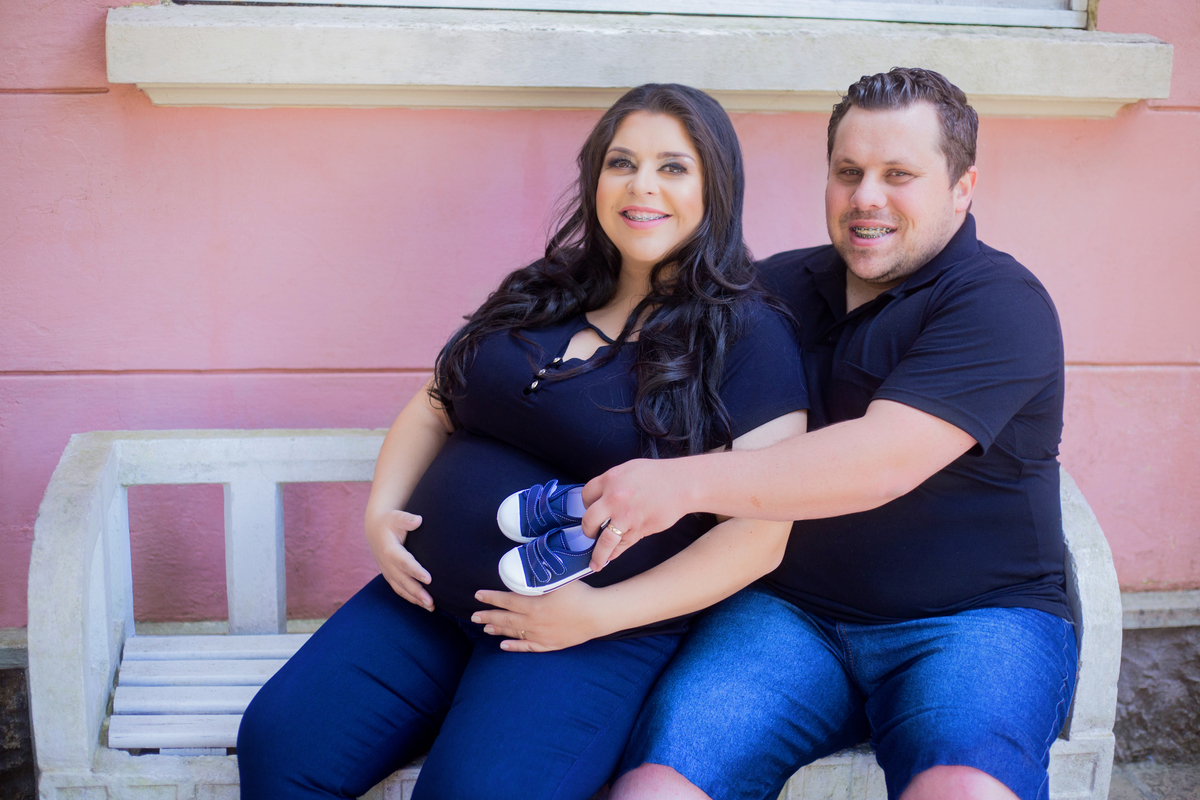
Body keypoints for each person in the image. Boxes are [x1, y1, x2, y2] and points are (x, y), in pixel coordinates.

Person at [235, 83, 808, 800]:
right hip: (425, 602)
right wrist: (381, 513)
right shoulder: (544, 287)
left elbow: (762, 535)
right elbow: (436, 402)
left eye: (673, 167)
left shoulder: (747, 334)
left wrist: (595, 614)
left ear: (716, 187)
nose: (642, 186)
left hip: (577, 634)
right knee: (279, 744)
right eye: (622, 162)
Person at [582, 69, 1077, 800]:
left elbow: (877, 462)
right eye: (849, 172)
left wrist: (678, 484)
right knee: (655, 790)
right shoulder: (773, 289)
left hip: (973, 622)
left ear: (963, 187)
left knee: (963, 793)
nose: (866, 197)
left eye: (898, 174)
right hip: (788, 616)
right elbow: (625, 357)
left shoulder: (999, 303)